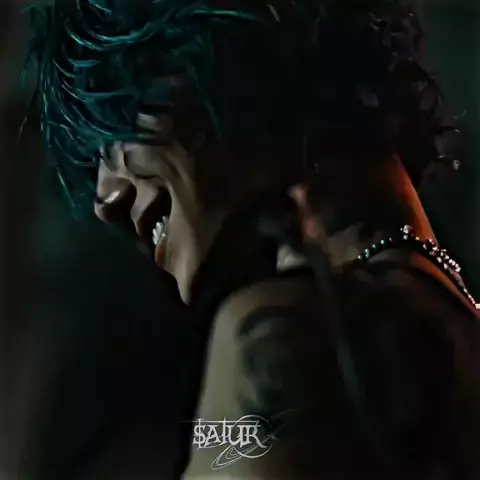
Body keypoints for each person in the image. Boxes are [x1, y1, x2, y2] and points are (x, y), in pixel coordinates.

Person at [27, 0, 480, 479]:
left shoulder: (281, 340)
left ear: (239, 43)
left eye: (122, 108)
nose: (106, 196)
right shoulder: (449, 333)